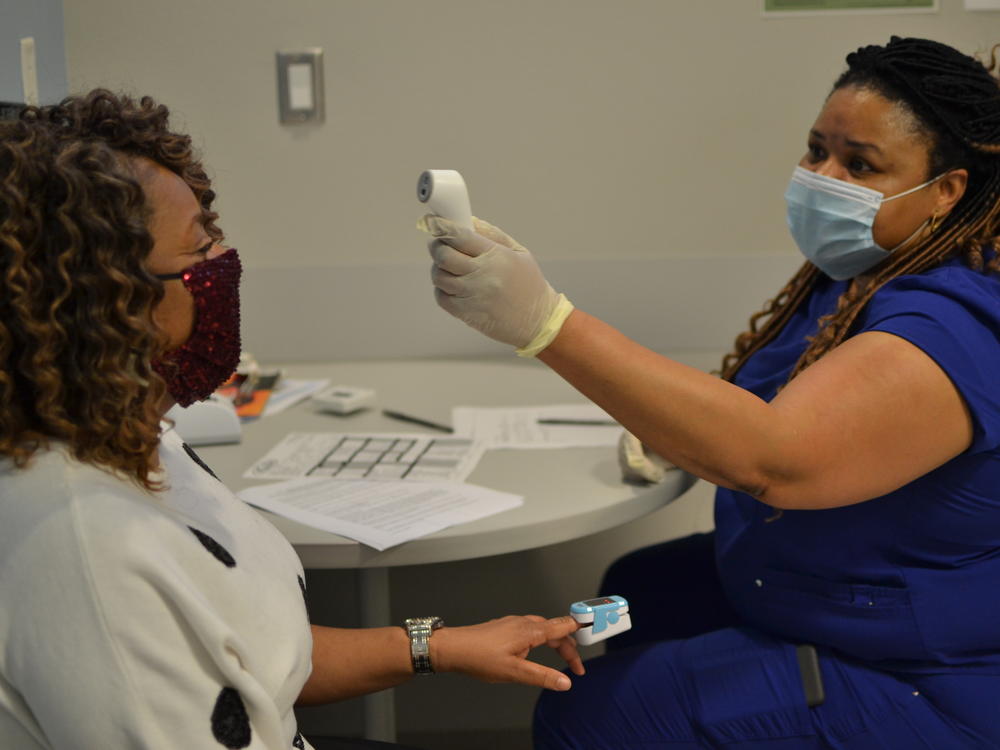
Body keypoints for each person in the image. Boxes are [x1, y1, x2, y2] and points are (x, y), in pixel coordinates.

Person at [421, 36, 1000, 748]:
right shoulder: (858, 274)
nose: (822, 176)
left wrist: (546, 324)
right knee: (634, 585)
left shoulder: (953, 325)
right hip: (811, 590)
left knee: (588, 717)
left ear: (948, 190)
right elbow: (754, 402)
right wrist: (671, 427)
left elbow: (777, 459)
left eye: (860, 165)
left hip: (919, 676)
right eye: (816, 149)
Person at [0, 90, 584, 750]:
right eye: (199, 249)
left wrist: (437, 646)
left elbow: (250, 653)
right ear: (106, 299)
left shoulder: (131, 436)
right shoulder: (90, 554)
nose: (222, 266)